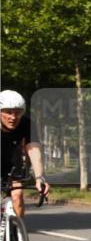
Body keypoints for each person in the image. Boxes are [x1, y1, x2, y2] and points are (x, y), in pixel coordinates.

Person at [0, 90, 50, 218]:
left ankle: (17, 228)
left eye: (18, 113)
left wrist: (40, 178)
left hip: (12, 165)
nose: (13, 117)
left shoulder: (26, 124)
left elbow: (34, 150)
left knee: (17, 195)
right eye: (8, 112)